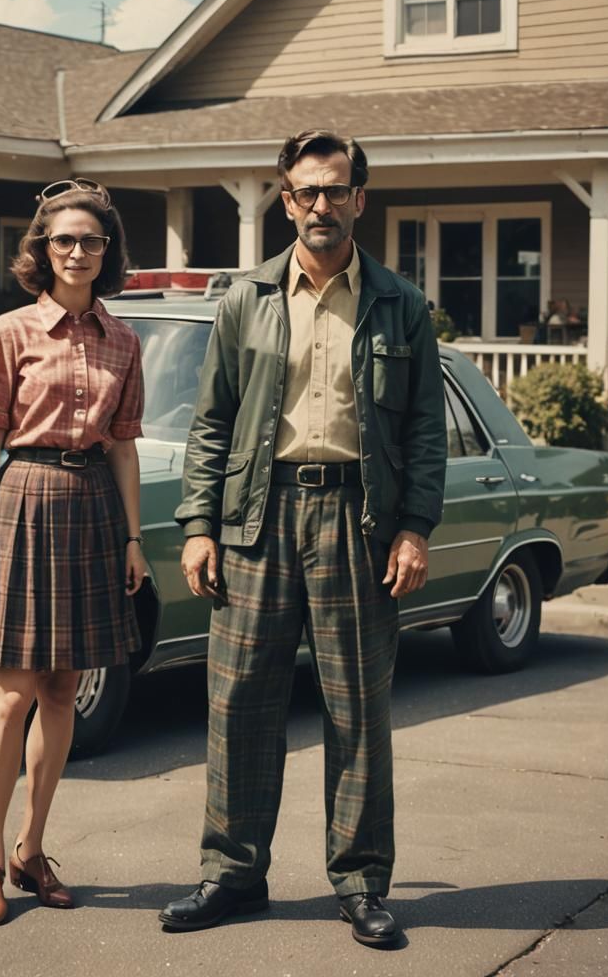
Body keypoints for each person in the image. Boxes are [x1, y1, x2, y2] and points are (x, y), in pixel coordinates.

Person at [160, 130, 447, 947]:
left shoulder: (400, 303)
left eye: (335, 189)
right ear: (284, 201)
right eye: (304, 192)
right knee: (240, 701)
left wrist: (415, 529)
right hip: (258, 517)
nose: (320, 205)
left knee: (358, 708)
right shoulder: (245, 299)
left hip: (359, 521)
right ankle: (232, 873)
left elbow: (426, 432)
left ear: (361, 196)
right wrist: (198, 526)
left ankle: (360, 883)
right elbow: (210, 422)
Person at [0, 178, 146, 924]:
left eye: (91, 241)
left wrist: (134, 537)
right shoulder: (10, 332)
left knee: (65, 689)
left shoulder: (124, 340)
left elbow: (127, 448)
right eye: (64, 240)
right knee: (12, 693)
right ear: (43, 250)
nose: (77, 251)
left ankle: (32, 849)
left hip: (93, 505)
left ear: (108, 253)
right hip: (25, 502)